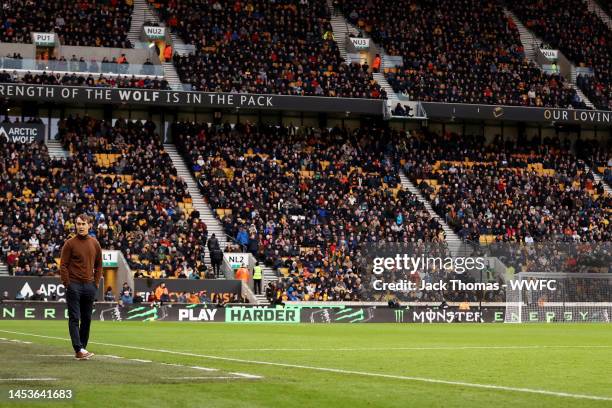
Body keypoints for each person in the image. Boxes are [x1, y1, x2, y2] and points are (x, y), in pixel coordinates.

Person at [60, 213, 102, 360]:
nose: (81, 226)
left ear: (89, 225)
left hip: (89, 286)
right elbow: (63, 265)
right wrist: (67, 284)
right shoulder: (70, 243)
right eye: (78, 224)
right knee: (74, 318)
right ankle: (78, 349)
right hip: (74, 285)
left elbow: (99, 266)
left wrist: (95, 284)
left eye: (83, 224)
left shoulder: (95, 243)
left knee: (87, 319)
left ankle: (82, 348)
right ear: (75, 225)